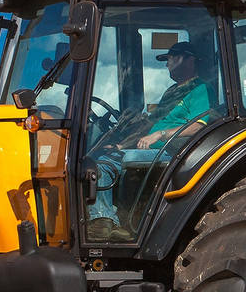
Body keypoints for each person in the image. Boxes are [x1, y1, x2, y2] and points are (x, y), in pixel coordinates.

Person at [85, 40, 216, 240]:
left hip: (173, 150)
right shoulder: (172, 91)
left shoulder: (201, 89)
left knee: (108, 163)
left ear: (190, 59)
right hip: (152, 148)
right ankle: (109, 222)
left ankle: (105, 221)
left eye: (171, 58)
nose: (167, 64)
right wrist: (121, 145)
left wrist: (160, 135)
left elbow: (199, 124)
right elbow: (153, 123)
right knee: (103, 159)